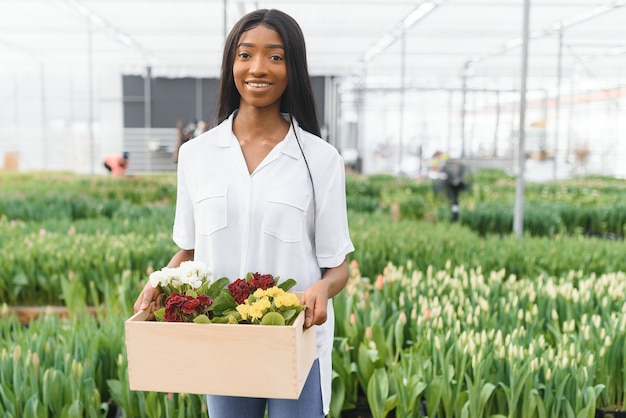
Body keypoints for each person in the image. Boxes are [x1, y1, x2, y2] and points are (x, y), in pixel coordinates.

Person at [133, 9, 354, 418]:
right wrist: (159, 281)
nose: (258, 68)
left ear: (293, 69)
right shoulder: (196, 155)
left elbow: (337, 266)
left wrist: (322, 290)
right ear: (231, 64)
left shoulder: (320, 160)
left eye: (275, 56)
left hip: (295, 339)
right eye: (245, 54)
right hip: (223, 338)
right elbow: (189, 252)